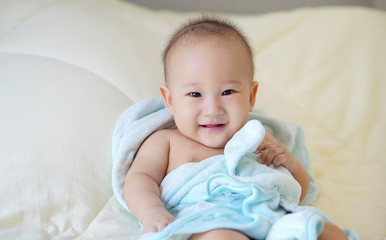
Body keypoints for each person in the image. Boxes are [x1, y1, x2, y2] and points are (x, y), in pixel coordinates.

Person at [123, 17, 348, 240]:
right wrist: (152, 212)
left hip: (270, 218)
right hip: (209, 221)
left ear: (251, 97)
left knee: (322, 229)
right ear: (169, 100)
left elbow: (296, 192)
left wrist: (289, 163)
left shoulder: (256, 137)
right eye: (195, 94)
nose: (212, 109)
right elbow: (138, 179)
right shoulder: (166, 142)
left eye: (228, 92)